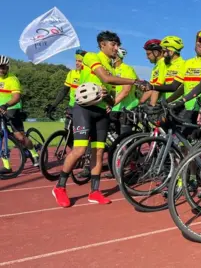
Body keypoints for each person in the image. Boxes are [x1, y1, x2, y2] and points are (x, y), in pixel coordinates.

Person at [52, 31, 148, 208]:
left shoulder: (112, 67)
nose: (116, 48)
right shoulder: (91, 56)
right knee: (80, 150)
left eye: (117, 45)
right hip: (84, 109)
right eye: (113, 44)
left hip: (102, 111)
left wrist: (109, 99)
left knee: (98, 151)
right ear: (102, 44)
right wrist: (135, 82)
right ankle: (60, 187)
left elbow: (110, 94)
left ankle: (95, 191)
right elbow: (104, 78)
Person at [0, 55, 40, 173]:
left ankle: (33, 153)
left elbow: (16, 97)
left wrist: (6, 105)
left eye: (3, 67)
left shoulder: (13, 79)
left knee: (20, 137)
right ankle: (7, 166)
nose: (1, 70)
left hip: (12, 107)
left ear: (8, 67)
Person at [45, 49, 87, 121]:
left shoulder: (90, 74)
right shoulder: (71, 73)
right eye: (76, 61)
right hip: (72, 107)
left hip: (85, 108)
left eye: (80, 61)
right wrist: (54, 105)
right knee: (68, 130)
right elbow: (64, 91)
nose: (77, 63)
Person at [147, 36, 186, 102]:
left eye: (164, 51)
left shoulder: (184, 65)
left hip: (180, 105)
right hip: (166, 105)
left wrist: (167, 102)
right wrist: (152, 105)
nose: (162, 54)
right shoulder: (164, 65)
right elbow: (158, 87)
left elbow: (179, 88)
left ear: (171, 52)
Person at [110, 47, 139, 135]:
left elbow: (126, 91)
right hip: (113, 108)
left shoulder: (127, 69)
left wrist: (110, 104)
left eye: (113, 56)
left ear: (118, 57)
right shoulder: (110, 70)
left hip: (126, 108)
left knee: (125, 140)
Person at [141, 39, 164, 106]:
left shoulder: (163, 64)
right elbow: (151, 88)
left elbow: (157, 88)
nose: (147, 57)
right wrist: (141, 102)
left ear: (156, 52)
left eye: (148, 54)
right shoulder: (156, 66)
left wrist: (152, 105)